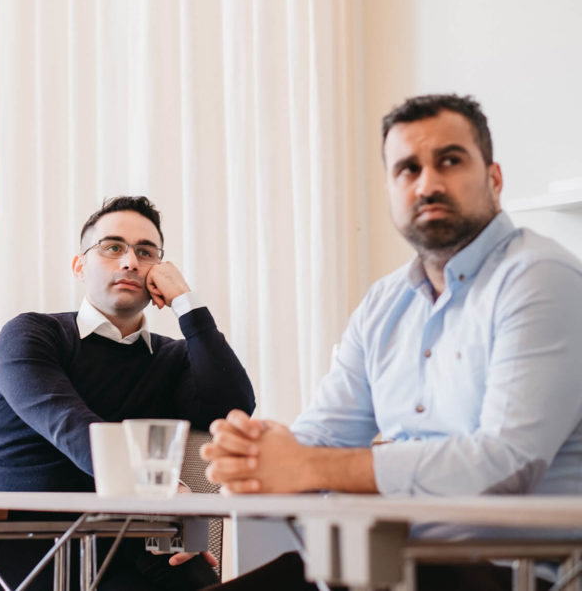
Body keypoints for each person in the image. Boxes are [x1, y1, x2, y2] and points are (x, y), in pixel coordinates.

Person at [203, 94, 582, 591]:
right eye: (407, 169)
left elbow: (503, 464)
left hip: (514, 571)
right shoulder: (385, 303)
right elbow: (321, 438)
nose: (427, 184)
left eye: (450, 160)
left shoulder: (540, 278)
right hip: (385, 564)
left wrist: (305, 464)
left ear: (494, 178)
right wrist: (255, 456)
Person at [0, 196, 256, 590]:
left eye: (146, 252)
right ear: (79, 266)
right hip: (25, 549)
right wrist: (161, 490)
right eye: (112, 247)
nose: (129, 262)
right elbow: (69, 424)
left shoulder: (170, 357)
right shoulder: (31, 335)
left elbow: (233, 407)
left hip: (135, 544)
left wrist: (186, 304)